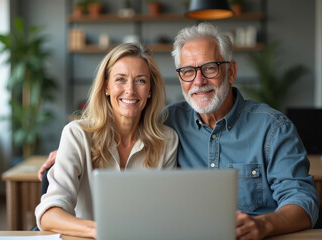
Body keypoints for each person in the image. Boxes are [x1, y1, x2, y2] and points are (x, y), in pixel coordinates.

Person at [38, 23, 320, 240]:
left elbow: (304, 200)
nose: (199, 80)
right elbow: (124, 122)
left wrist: (263, 224)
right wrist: (67, 150)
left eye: (209, 68)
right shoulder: (169, 123)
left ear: (231, 72)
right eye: (188, 71)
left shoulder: (272, 128)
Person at [35, 42, 178, 239]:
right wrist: (99, 230)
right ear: (106, 87)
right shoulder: (76, 135)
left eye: (141, 81)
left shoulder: (168, 140)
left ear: (150, 90)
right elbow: (49, 216)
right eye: (120, 79)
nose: (130, 90)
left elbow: (167, 214)